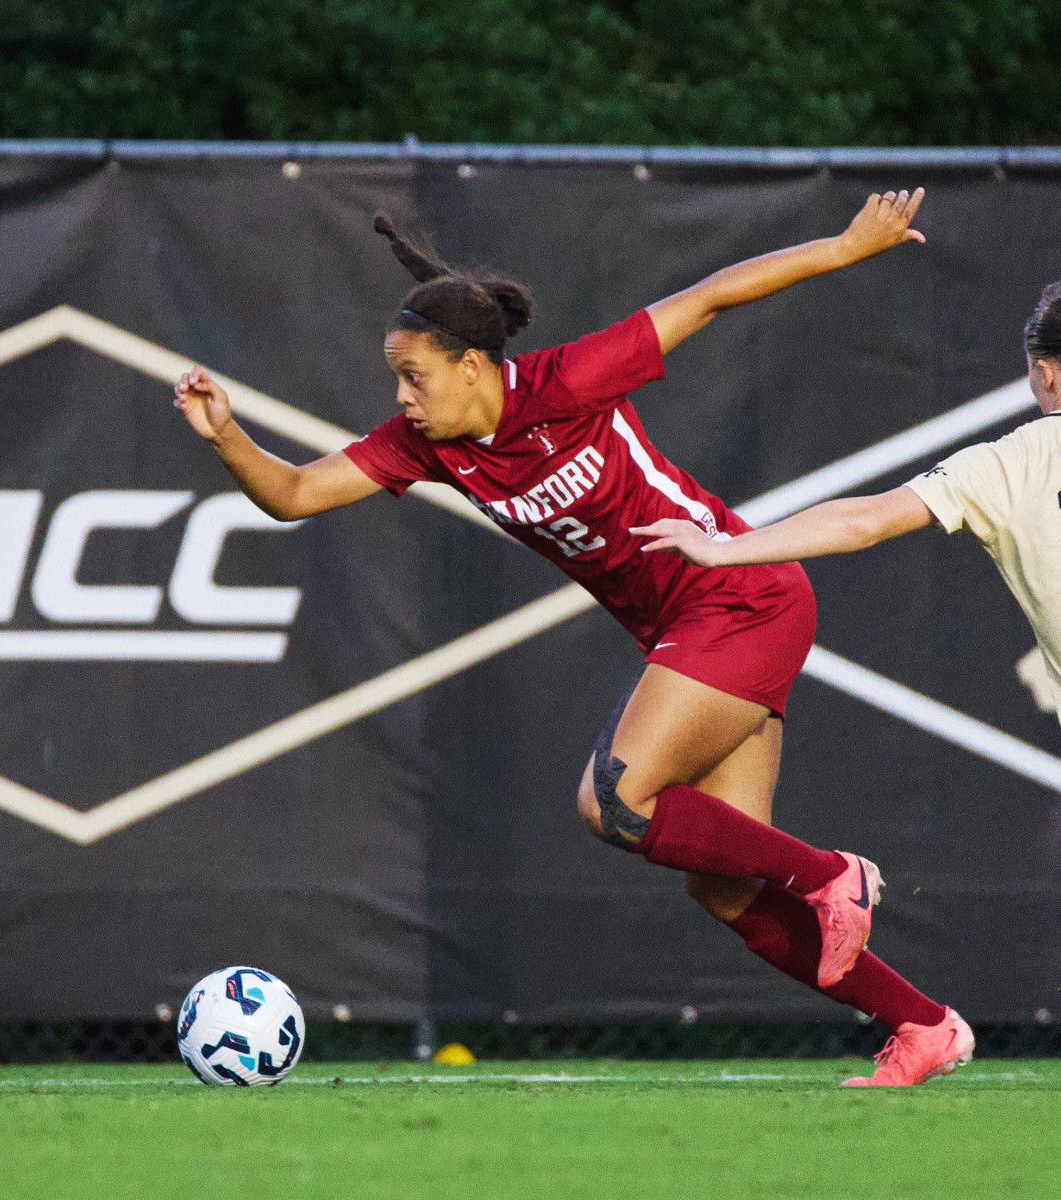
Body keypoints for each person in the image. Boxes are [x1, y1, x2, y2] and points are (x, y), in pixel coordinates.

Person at [175, 188, 973, 1088]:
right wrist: (227, 435)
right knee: (722, 887)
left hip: (740, 596)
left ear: (474, 365)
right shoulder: (429, 445)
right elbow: (295, 495)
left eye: (415, 375)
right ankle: (925, 1026)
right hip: (691, 628)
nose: (402, 396)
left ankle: (835, 876)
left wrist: (841, 247)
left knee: (616, 801)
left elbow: (709, 297)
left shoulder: (566, 384)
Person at [632, 283, 1061, 729]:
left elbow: (861, 522)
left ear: (1045, 375)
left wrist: (720, 548)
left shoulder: (1008, 464)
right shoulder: (1005, 465)